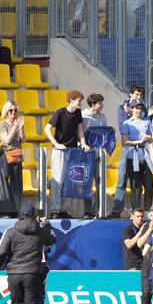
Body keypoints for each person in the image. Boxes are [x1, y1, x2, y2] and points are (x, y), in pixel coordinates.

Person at [0, 202, 56, 304]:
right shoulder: (39, 231)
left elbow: (1, 251)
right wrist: (46, 226)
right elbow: (52, 239)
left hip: (14, 272)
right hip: (32, 273)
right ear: (34, 215)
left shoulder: (11, 231)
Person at [44, 90, 90, 220]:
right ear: (71, 100)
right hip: (59, 151)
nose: (80, 102)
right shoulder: (60, 112)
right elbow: (47, 129)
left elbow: (79, 129)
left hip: (72, 151)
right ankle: (55, 209)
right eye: (78, 100)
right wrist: (56, 144)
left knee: (69, 181)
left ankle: (64, 209)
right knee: (57, 180)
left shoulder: (78, 113)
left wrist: (83, 143)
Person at [121, 102, 153, 212]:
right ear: (131, 109)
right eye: (136, 108)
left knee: (149, 185)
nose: (139, 111)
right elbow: (124, 141)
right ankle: (136, 211)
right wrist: (138, 141)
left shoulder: (146, 122)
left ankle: (147, 210)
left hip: (144, 155)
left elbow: (150, 139)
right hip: (132, 156)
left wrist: (148, 138)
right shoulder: (126, 123)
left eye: (140, 108)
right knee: (136, 186)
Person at [0, 100, 25, 219]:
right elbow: (7, 140)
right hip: (5, 154)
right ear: (6, 111)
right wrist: (14, 127)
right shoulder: (2, 124)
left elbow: (23, 140)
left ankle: (15, 210)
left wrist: (22, 128)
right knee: (3, 183)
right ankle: (3, 211)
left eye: (15, 110)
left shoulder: (18, 123)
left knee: (17, 184)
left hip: (17, 154)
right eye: (10, 110)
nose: (13, 113)